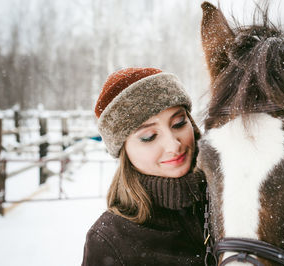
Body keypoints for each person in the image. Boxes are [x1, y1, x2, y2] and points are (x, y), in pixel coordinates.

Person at [82, 68, 207, 266]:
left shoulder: (230, 199)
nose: (174, 145)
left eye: (179, 123)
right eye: (149, 137)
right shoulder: (110, 239)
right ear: (125, 152)